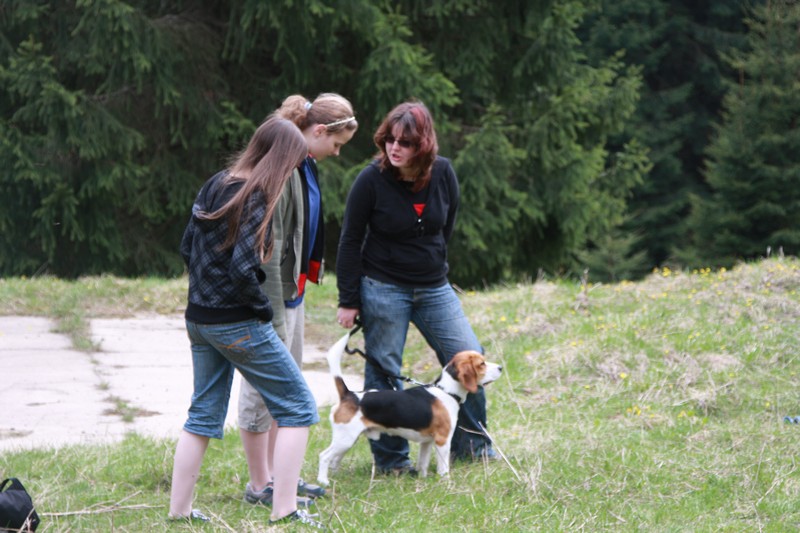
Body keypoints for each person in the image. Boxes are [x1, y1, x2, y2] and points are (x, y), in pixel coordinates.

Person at [168, 116, 323, 528]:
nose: (292, 171)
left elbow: (187, 246)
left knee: (201, 415)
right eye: (292, 163)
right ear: (280, 158)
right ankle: (285, 509)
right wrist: (261, 310)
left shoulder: (216, 182)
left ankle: (178, 513)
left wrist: (206, 292)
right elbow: (242, 268)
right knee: (299, 408)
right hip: (236, 322)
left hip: (198, 318)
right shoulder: (256, 194)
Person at [335, 101, 495, 475]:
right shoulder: (369, 180)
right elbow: (349, 240)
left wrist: (432, 262)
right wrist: (349, 299)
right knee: (384, 370)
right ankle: (391, 462)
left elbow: (446, 225)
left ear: (422, 145)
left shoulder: (443, 173)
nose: (395, 148)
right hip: (383, 286)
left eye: (405, 142)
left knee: (469, 356)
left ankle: (472, 448)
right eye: (389, 139)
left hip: (434, 286)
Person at [237, 94, 357, 506]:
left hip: (294, 291)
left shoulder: (306, 164)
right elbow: (268, 247)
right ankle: (259, 484)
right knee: (261, 387)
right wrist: (270, 312)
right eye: (336, 144)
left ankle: (276, 476)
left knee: (285, 388)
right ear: (318, 132)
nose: (336, 153)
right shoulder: (283, 169)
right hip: (271, 298)